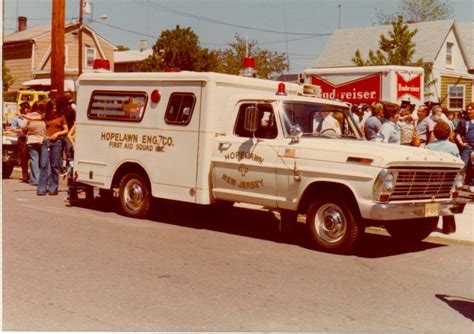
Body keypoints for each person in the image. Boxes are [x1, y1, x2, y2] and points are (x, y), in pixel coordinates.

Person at [426, 121, 460, 234]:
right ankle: (449, 227)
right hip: (448, 180)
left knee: (433, 202)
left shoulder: (429, 147)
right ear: (448, 133)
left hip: (433, 180)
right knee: (447, 202)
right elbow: (459, 162)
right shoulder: (453, 147)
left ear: (434, 133)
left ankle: (431, 225)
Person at [37, 101, 68, 196]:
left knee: (55, 165)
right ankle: (41, 189)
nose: (54, 110)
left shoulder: (61, 117)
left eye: (55, 108)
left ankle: (53, 188)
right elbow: (34, 118)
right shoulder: (46, 116)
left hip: (57, 142)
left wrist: (57, 134)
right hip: (46, 141)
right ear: (49, 108)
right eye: (52, 108)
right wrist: (23, 115)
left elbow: (66, 130)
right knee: (44, 164)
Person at [21, 102, 46, 186]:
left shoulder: (29, 115)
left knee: (34, 160)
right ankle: (43, 179)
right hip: (43, 140)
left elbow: (23, 127)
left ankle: (35, 180)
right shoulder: (45, 115)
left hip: (31, 140)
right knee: (42, 160)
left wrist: (27, 130)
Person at [8, 101, 30, 182]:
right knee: (24, 158)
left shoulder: (30, 117)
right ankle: (25, 176)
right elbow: (12, 129)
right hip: (22, 139)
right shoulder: (16, 119)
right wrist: (21, 130)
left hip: (30, 138)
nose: (26, 110)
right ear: (22, 109)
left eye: (28, 108)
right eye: (25, 108)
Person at [455, 102, 474, 192]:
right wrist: (461, 142)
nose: (469, 111)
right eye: (468, 109)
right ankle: (459, 182)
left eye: (471, 109)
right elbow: (457, 132)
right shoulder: (463, 120)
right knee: (463, 164)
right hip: (467, 146)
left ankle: (472, 184)